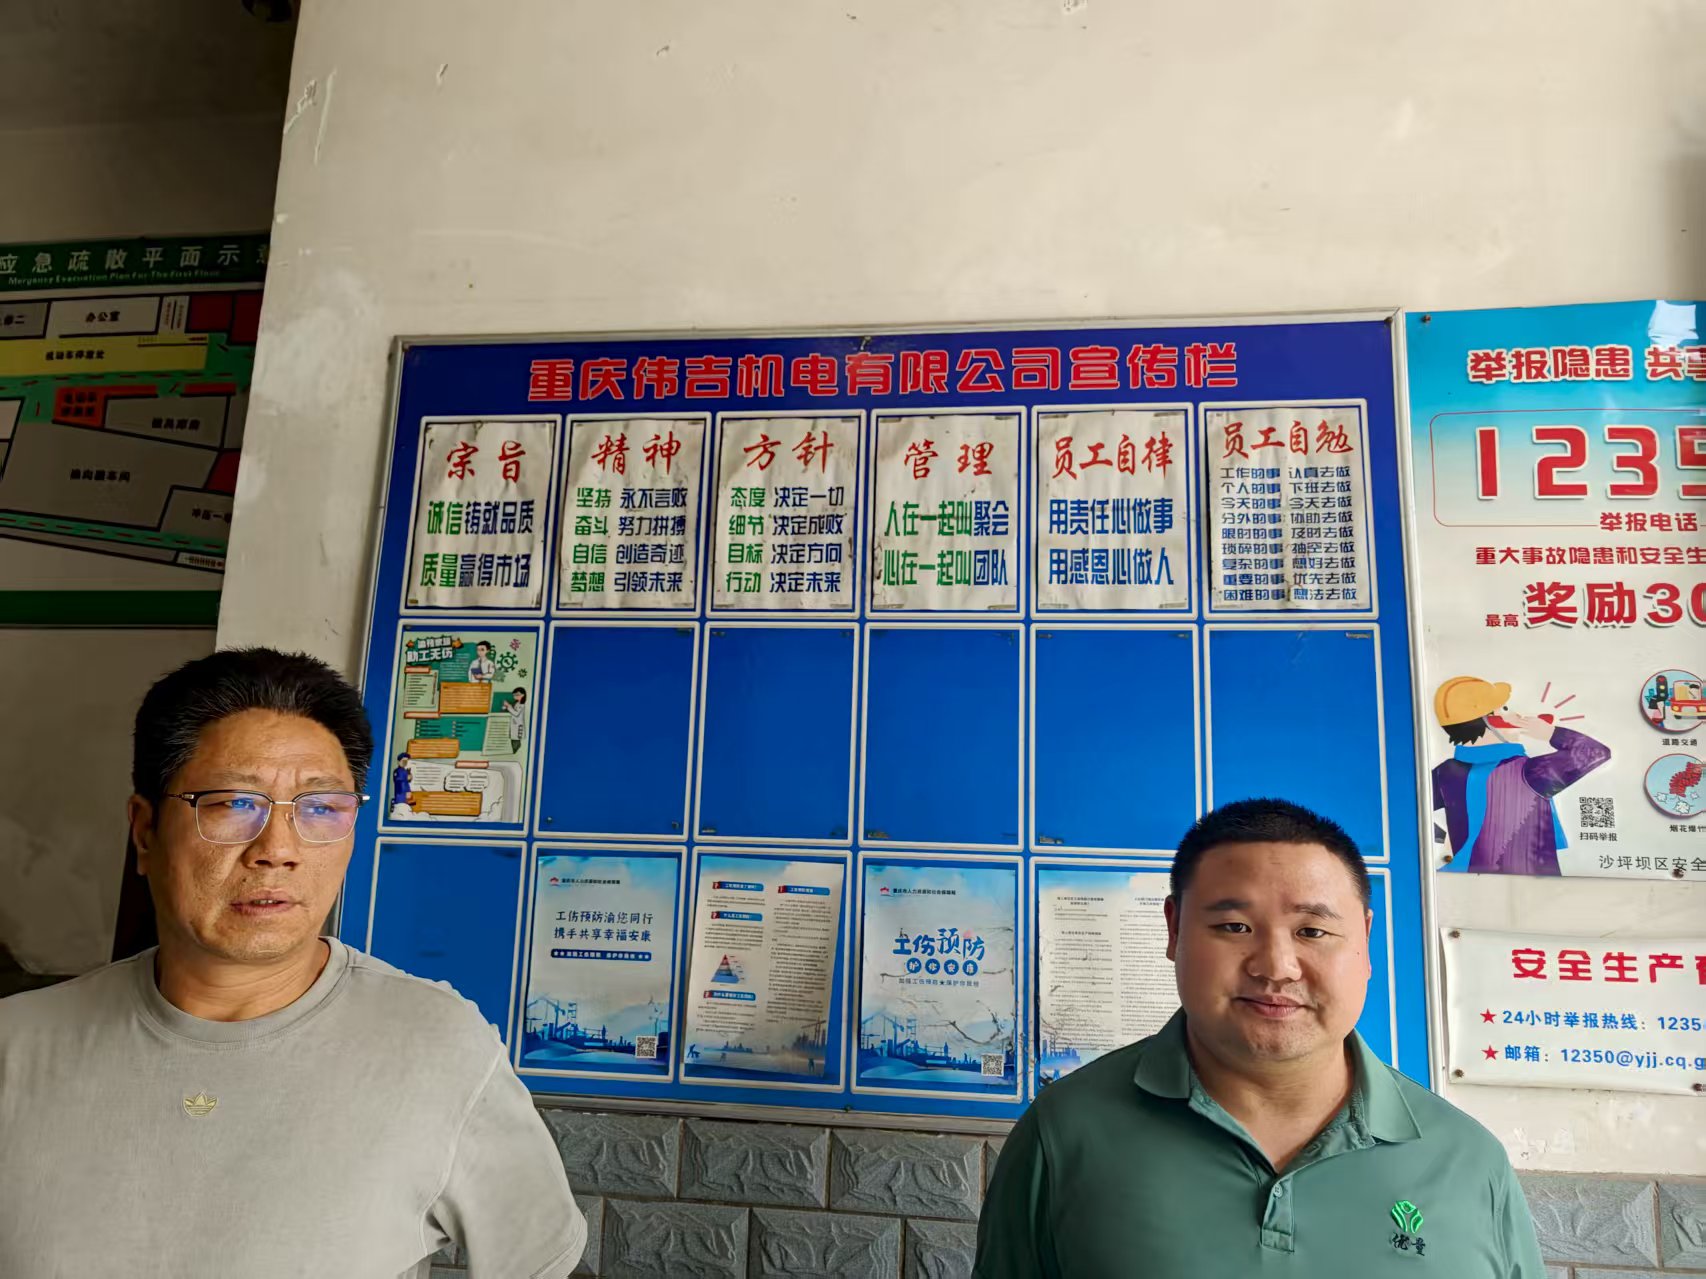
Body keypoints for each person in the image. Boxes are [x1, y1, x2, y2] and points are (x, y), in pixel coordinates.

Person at [0, 648, 585, 1278]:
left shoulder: (438, 1046)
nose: (278, 849)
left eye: (322, 809)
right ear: (145, 832)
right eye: (233, 803)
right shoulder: (17, 1046)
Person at [976, 799, 1545, 1278]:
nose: (1276, 966)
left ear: (1365, 940)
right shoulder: (1064, 1132)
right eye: (1234, 927)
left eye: (1312, 931)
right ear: (1174, 930)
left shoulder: (1466, 1160)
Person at [1431, 676, 1610, 875]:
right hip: (1531, 883)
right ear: (1488, 721)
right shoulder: (1529, 772)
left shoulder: (1445, 772)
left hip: (1465, 878)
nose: (1516, 715)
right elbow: (1595, 752)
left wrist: (1442, 840)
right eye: (1505, 709)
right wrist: (1551, 733)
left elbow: (1407, 806)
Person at [505, 687, 528, 754]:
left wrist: (508, 706)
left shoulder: (521, 705)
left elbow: (516, 713)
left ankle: (515, 751)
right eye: (514, 695)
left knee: (515, 740)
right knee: (513, 739)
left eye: (517, 694)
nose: (515, 696)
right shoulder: (517, 703)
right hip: (514, 725)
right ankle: (515, 750)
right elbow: (513, 710)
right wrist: (507, 707)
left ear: (523, 695)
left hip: (518, 726)